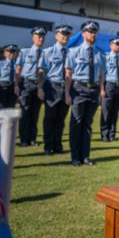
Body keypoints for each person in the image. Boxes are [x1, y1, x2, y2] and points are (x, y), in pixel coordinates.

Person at [65, 21, 106, 166]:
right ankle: (75, 157)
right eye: (90, 31)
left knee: (87, 124)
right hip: (79, 89)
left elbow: (101, 74)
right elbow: (68, 74)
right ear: (83, 34)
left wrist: (102, 90)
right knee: (76, 123)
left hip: (93, 90)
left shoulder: (100, 53)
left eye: (95, 31)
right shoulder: (74, 52)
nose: (93, 34)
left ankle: (85, 156)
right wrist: (67, 94)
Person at [38, 25, 72, 155]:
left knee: (61, 119)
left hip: (66, 88)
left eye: (67, 33)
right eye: (62, 33)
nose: (65, 36)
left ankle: (57, 146)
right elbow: (41, 72)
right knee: (49, 118)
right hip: (52, 87)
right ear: (56, 35)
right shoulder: (48, 52)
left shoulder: (71, 52)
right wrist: (40, 88)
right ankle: (48, 147)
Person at [15, 27, 46, 147]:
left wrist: (41, 87)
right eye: (39, 36)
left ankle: (32, 138)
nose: (41, 39)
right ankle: (23, 139)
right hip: (26, 84)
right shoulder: (24, 52)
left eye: (43, 37)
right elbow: (18, 69)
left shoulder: (46, 53)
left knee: (35, 113)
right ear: (33, 37)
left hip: (39, 85)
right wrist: (16, 85)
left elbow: (44, 72)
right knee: (25, 112)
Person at [100, 37, 119, 142]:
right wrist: (102, 89)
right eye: (116, 44)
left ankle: (112, 135)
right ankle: (104, 135)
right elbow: (102, 74)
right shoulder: (105, 57)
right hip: (109, 85)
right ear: (110, 45)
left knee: (115, 112)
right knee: (106, 111)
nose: (118, 46)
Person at [0, 44, 19, 110]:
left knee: (10, 109)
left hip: (13, 87)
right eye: (10, 51)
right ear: (5, 53)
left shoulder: (18, 64)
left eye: (13, 51)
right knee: (0, 108)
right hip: (2, 87)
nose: (12, 54)